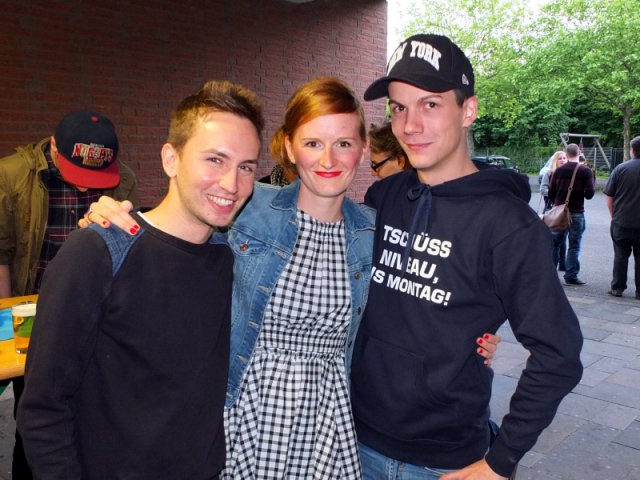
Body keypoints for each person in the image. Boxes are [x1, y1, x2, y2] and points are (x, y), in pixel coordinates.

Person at [79, 76, 500, 478]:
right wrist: (120, 217)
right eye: (313, 143)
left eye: (344, 144)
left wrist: (471, 335)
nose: (328, 159)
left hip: (326, 429)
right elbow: (180, 224)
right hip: (241, 415)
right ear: (290, 148)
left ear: (363, 149)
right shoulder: (248, 208)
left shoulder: (375, 232)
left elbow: (424, 295)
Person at [351, 33, 583, 480]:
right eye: (399, 107)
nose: (410, 125)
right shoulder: (385, 197)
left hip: (441, 460)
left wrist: (501, 461)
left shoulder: (509, 224)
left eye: (430, 104)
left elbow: (559, 353)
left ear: (468, 110)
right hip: (352, 438)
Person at [17, 80, 264, 479]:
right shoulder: (97, 252)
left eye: (246, 166)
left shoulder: (232, 261)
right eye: (215, 160)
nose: (231, 184)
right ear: (171, 159)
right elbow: (43, 408)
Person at [0, 109, 137, 480]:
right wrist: (8, 326)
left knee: (87, 412)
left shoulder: (123, 180)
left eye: (94, 178)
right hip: (32, 313)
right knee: (35, 414)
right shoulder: (11, 176)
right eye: (76, 174)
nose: (82, 188)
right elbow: (2, 255)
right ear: (54, 146)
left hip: (92, 314)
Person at [549, 143, 595, 285]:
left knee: (555, 244)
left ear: (567, 154)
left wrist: (558, 203)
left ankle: (550, 274)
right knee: (574, 245)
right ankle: (571, 276)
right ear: (579, 153)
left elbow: (551, 193)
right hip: (576, 213)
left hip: (560, 212)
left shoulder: (558, 170)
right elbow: (589, 195)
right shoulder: (585, 171)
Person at [603, 135, 640, 298]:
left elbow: (609, 196)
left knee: (620, 255)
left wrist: (613, 215)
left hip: (621, 220)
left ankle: (617, 288)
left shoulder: (620, 169)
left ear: (632, 150)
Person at [540, 150, 569, 270]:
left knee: (563, 238)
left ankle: (563, 264)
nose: (562, 160)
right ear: (555, 160)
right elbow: (543, 189)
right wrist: (556, 194)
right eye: (560, 158)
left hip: (564, 210)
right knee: (553, 239)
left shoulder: (569, 174)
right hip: (551, 209)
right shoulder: (549, 173)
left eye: (564, 158)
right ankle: (552, 266)